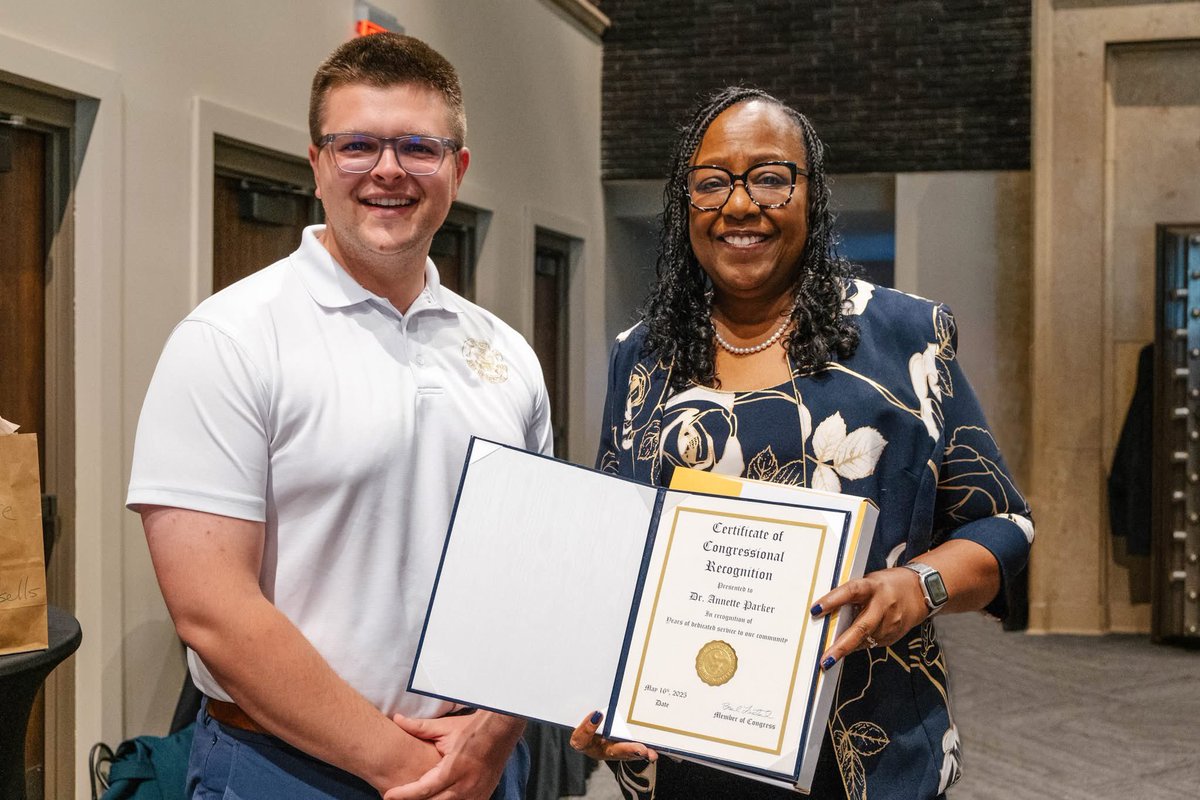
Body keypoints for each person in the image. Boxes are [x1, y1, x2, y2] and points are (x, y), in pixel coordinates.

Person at [570, 86, 1034, 799]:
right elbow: (618, 549)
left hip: (864, 755)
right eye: (711, 182)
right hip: (681, 752)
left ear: (812, 195)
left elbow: (1002, 525)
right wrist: (597, 693)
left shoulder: (905, 342)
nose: (739, 204)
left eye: (769, 177)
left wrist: (920, 585)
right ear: (683, 203)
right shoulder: (642, 356)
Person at [127, 32, 550, 800]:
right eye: (357, 144)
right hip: (284, 770)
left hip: (479, 763)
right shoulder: (229, 340)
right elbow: (213, 611)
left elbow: (529, 567)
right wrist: (408, 769)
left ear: (457, 168)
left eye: (418, 146)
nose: (388, 170)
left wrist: (496, 732)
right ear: (317, 164)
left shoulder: (507, 354)